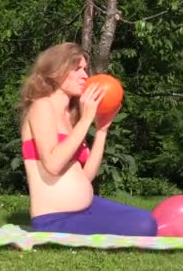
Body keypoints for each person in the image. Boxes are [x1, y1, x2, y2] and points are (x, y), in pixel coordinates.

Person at [18, 42, 158, 236]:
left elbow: (86, 177)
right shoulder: (42, 106)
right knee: (144, 227)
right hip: (56, 218)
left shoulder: (70, 117)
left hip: (86, 207)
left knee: (148, 220)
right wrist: (86, 120)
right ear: (56, 71)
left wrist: (101, 130)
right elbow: (53, 164)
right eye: (77, 69)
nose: (85, 76)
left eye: (85, 69)